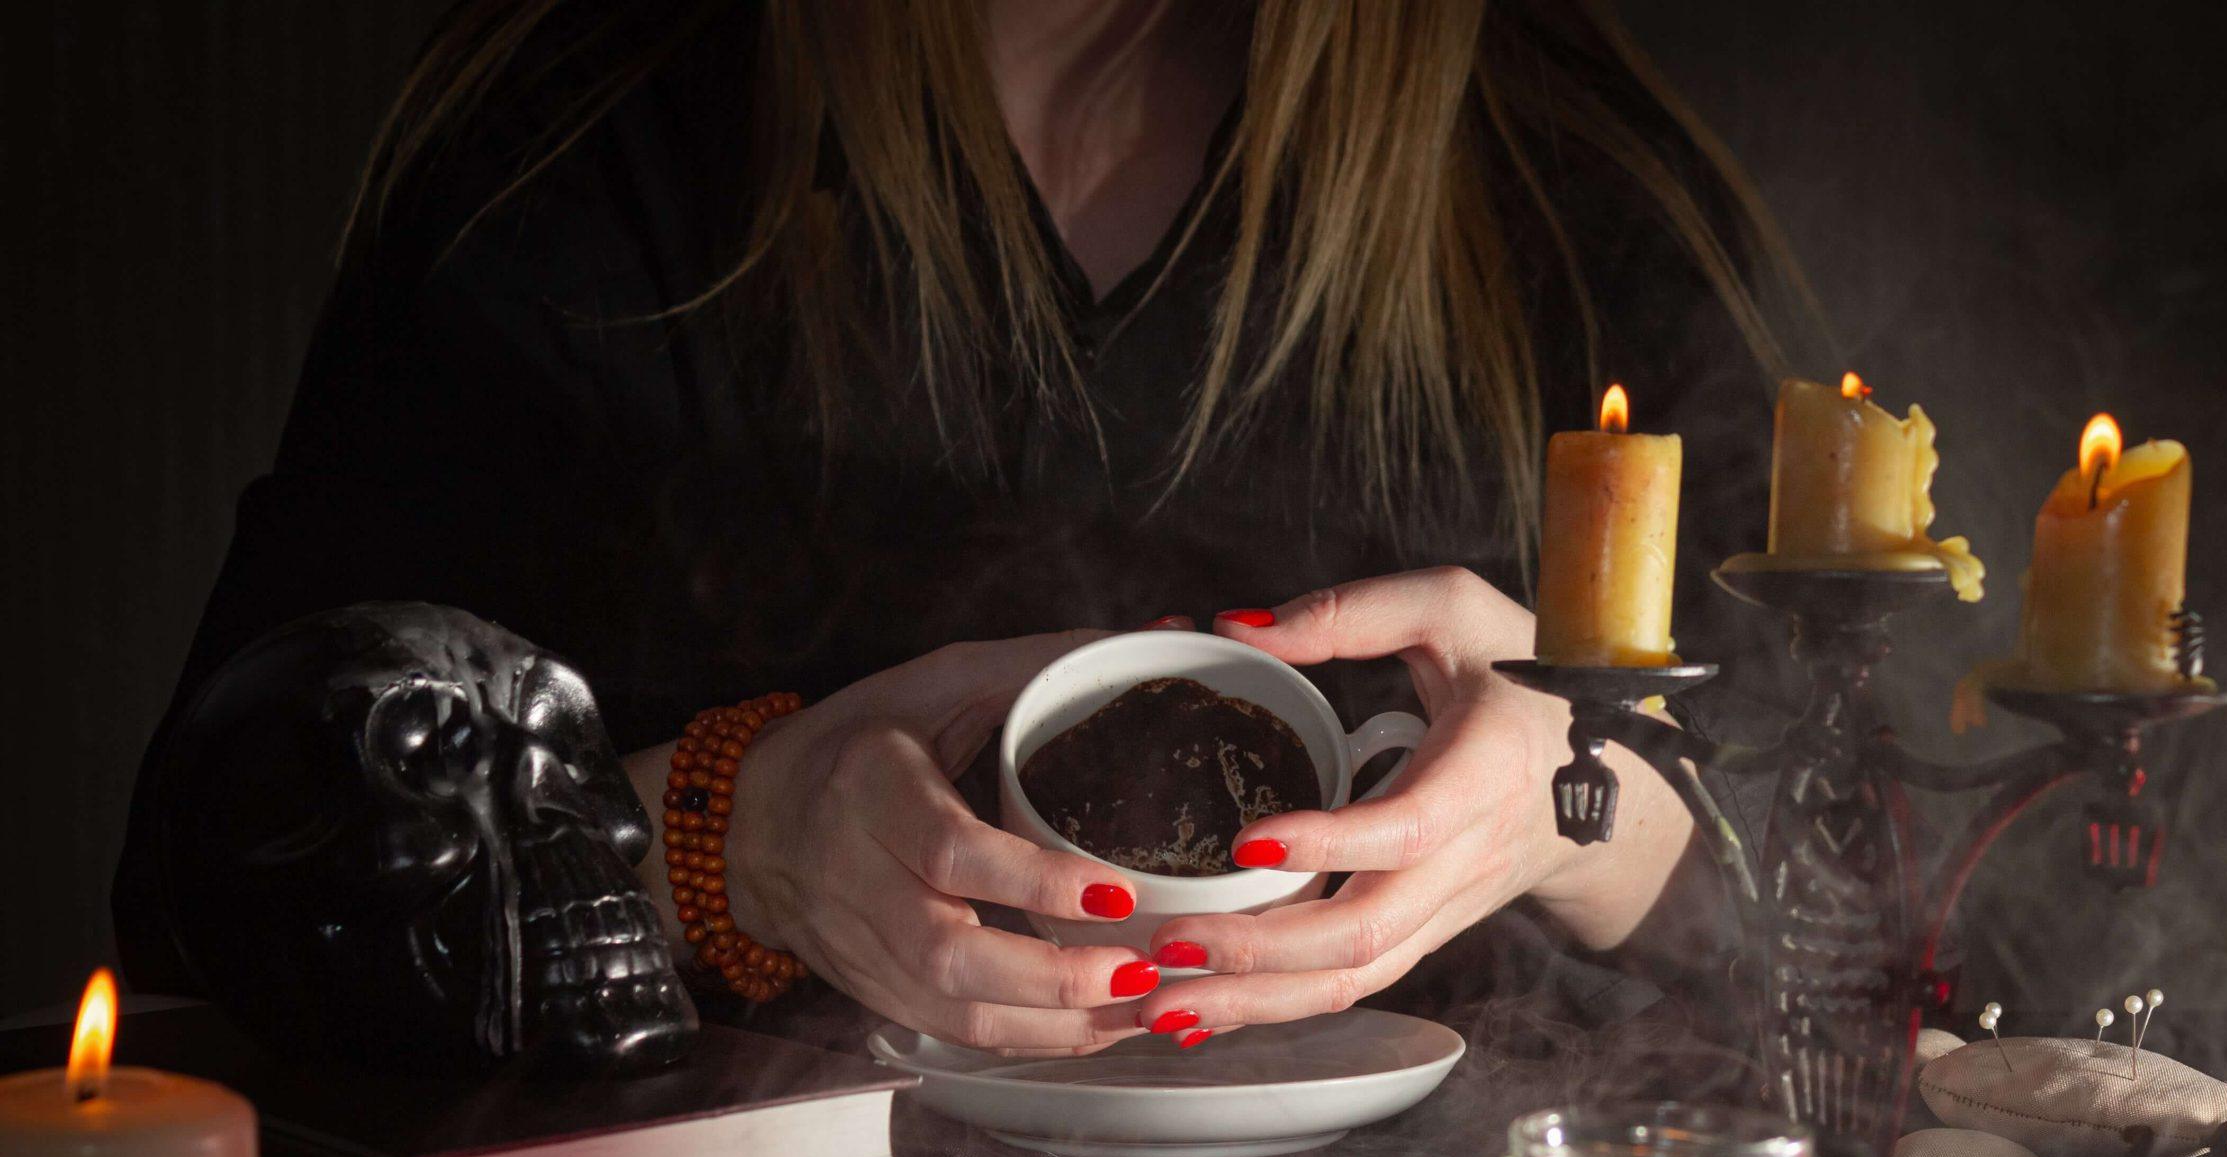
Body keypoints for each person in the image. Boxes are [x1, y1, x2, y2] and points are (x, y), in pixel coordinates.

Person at [119, 0, 1811, 1056]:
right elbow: (216, 904)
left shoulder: (1560, 168)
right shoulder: (587, 129)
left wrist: (1588, 807)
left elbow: (1891, 947)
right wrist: (737, 840)